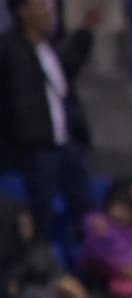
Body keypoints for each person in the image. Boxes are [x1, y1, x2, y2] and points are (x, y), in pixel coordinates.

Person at [0, 0, 96, 240]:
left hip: (66, 144)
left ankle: (85, 264)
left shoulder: (48, 48)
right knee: (43, 217)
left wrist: (84, 34)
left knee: (86, 213)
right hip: (35, 150)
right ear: (23, 13)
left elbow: (64, 74)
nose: (48, 12)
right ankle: (43, 265)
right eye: (41, 7)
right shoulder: (9, 50)